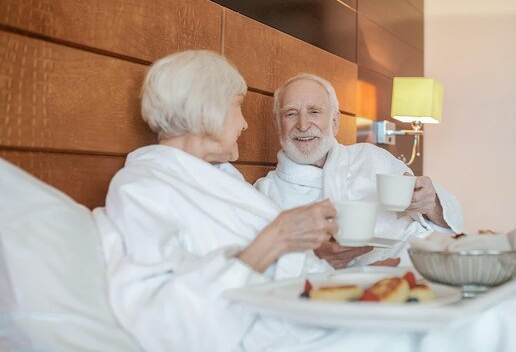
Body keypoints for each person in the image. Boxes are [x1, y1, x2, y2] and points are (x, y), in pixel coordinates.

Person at [94, 50, 419, 352]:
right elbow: (164, 321)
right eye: (237, 106)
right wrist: (276, 238)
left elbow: (290, 269)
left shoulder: (222, 178)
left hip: (309, 311)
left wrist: (362, 279)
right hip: (275, 336)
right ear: (207, 111)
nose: (244, 123)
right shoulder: (143, 190)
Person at [254, 74, 464, 268]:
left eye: (314, 111)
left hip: (419, 267)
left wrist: (432, 204)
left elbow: (443, 225)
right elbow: (260, 270)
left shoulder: (371, 157)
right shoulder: (265, 194)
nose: (303, 124)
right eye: (291, 114)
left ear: (335, 122)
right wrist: (316, 260)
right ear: (277, 124)